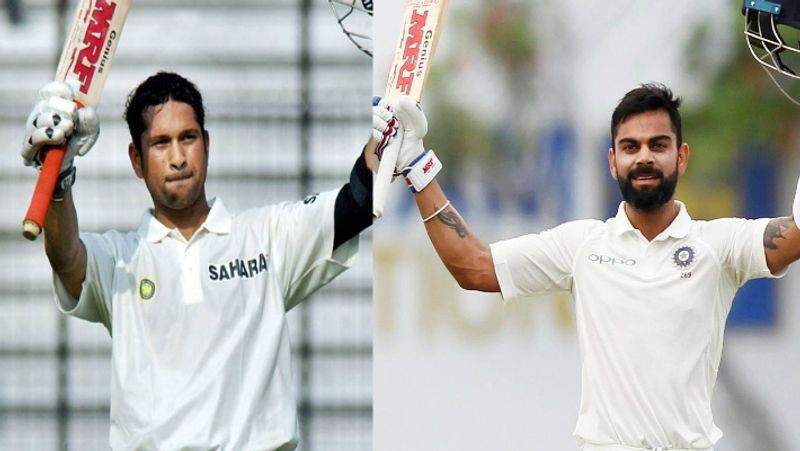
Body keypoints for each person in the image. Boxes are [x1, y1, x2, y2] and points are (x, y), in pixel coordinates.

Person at [372, 84, 800, 451]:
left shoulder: (718, 244)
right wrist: (417, 168)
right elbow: (475, 268)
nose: (644, 157)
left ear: (681, 156)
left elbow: (796, 235)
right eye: (630, 147)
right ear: (612, 161)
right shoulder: (584, 245)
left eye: (658, 145)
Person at [22, 72, 372, 451]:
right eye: (161, 143)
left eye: (188, 138)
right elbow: (65, 257)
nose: (177, 158)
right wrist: (57, 178)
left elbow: (358, 201)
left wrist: (390, 131)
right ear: (136, 160)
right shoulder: (121, 259)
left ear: (206, 144)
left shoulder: (266, 237)